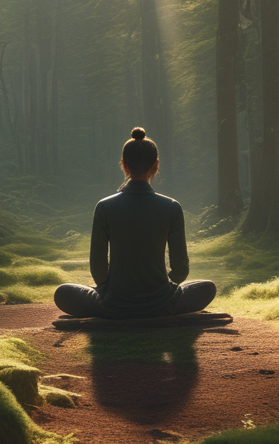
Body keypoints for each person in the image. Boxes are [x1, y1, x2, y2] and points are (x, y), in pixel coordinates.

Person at [53, 127, 217, 319]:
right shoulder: (171, 207)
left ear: (124, 165)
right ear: (156, 166)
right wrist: (164, 288)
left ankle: (113, 308)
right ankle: (161, 306)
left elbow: (98, 265)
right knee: (207, 288)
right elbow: (180, 268)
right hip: (161, 301)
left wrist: (108, 291)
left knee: (63, 293)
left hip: (115, 302)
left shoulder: (104, 207)